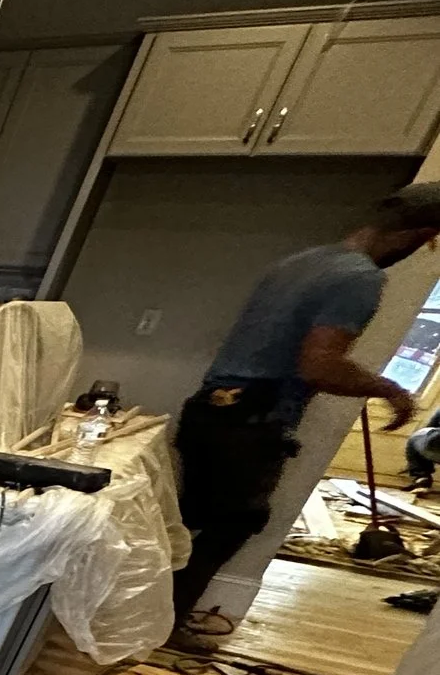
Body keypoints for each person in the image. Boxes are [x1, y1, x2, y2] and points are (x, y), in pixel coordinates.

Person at [172, 184, 440, 628]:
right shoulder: (361, 278)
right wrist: (389, 388)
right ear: (422, 234)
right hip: (251, 421)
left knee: (184, 521)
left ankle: (138, 620)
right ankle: (163, 631)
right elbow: (320, 366)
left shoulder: (299, 262)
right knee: (229, 527)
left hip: (210, 410)